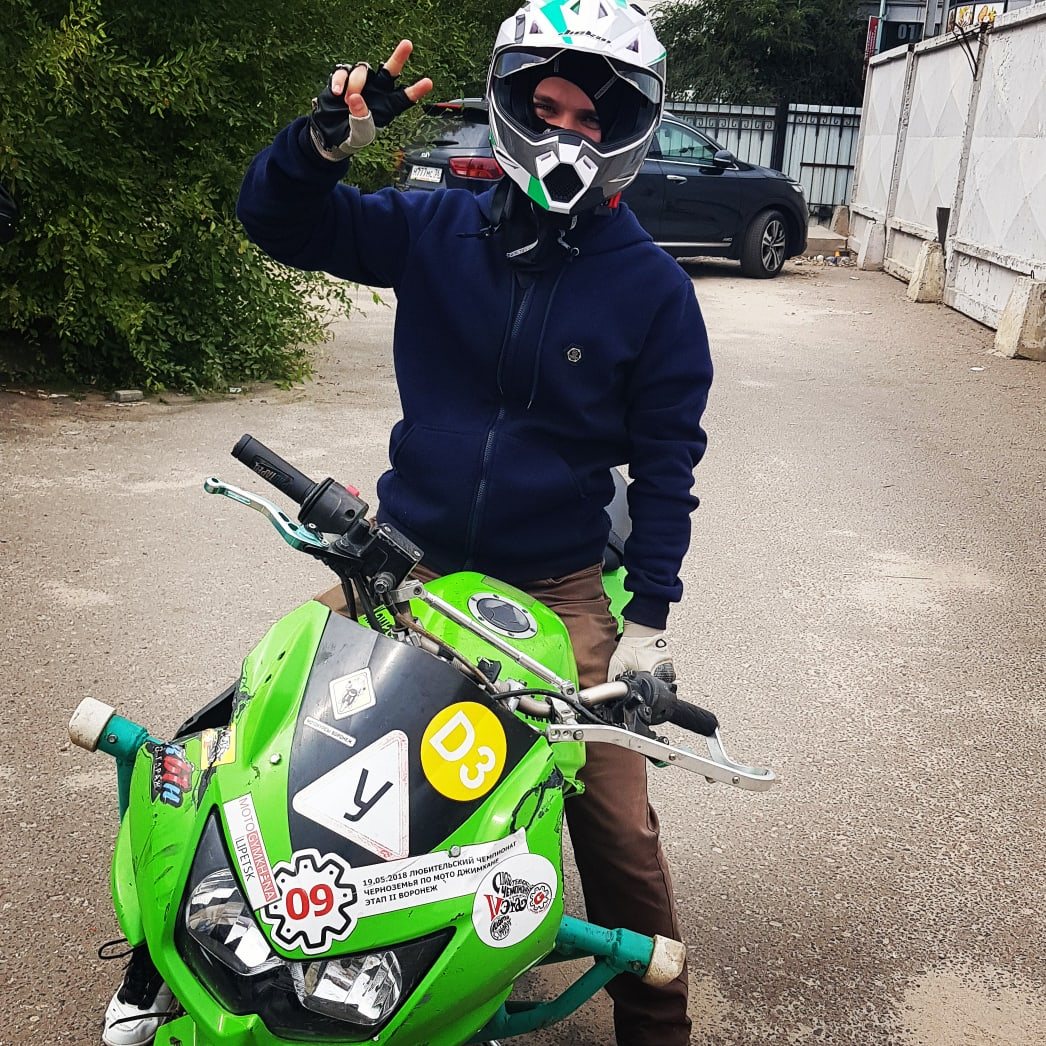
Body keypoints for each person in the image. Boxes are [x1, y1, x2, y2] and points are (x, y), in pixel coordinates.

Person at [102, 3, 712, 1044]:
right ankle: (164, 959)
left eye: (590, 121)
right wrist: (320, 145)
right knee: (249, 727)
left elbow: (666, 463)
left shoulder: (652, 289)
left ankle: (657, 1021)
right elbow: (281, 223)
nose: (564, 137)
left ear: (625, 136)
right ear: (511, 108)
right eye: (546, 108)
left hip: (555, 588)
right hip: (404, 562)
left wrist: (647, 616)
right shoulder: (439, 228)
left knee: (613, 821)